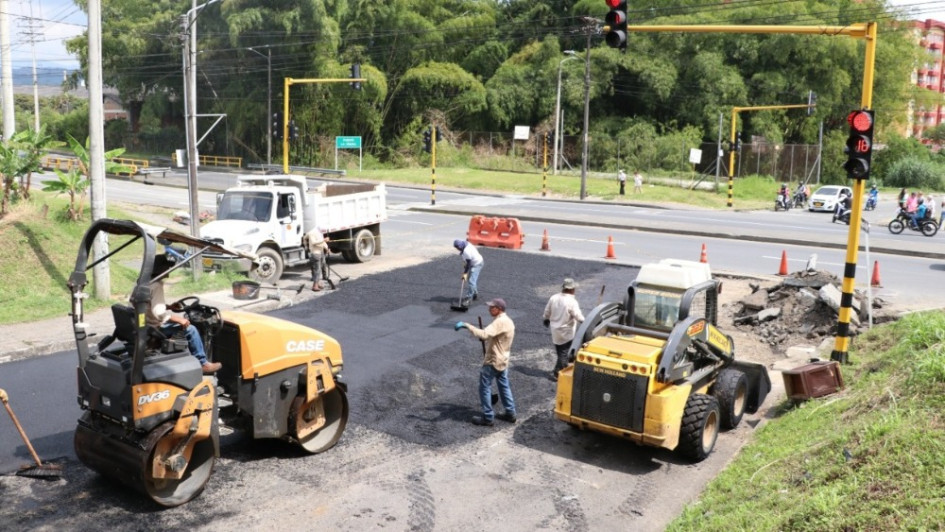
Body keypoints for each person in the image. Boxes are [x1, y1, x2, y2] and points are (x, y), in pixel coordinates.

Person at [146, 255, 220, 374]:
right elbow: (158, 313)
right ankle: (203, 363)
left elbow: (148, 306)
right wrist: (178, 319)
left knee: (184, 325)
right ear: (162, 269)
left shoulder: (143, 282)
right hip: (154, 328)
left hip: (145, 325)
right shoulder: (156, 285)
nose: (169, 271)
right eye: (167, 268)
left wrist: (169, 307)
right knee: (191, 329)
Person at [454, 298, 517, 426]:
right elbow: (496, 337)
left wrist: (467, 325)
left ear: (499, 309)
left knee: (484, 387)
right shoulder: (508, 321)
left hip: (493, 361)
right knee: (504, 386)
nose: (489, 309)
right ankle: (510, 413)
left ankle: (488, 417)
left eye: (492, 307)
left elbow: (483, 334)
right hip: (503, 360)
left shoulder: (499, 322)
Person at [543, 278, 585, 380]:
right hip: (566, 332)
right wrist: (586, 321)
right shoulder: (572, 301)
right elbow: (578, 316)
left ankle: (560, 368)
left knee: (560, 351)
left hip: (555, 331)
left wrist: (546, 319)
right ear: (572, 289)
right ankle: (558, 374)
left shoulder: (554, 298)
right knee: (563, 353)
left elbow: (547, 311)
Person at [453, 239, 483, 305]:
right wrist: (465, 264)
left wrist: (465, 273)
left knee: (472, 281)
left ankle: (469, 298)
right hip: (473, 262)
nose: (457, 249)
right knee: (471, 280)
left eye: (458, 248)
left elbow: (468, 264)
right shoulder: (465, 244)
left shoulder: (466, 251)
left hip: (477, 264)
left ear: (460, 246)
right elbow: (466, 262)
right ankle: (475, 294)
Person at [303, 227, 330, 291]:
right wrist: (306, 246)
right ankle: (315, 286)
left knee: (320, 268)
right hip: (315, 254)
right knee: (317, 270)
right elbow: (313, 242)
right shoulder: (312, 233)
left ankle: (318, 283)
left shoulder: (319, 233)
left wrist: (327, 248)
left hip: (320, 252)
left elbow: (322, 243)